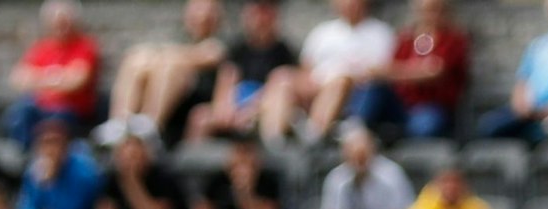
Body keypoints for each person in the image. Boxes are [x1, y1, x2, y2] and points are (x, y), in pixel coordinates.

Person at [266, 0, 394, 147]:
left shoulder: (380, 33)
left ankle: (314, 133)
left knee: (339, 81)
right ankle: (275, 139)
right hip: (317, 86)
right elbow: (305, 69)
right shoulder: (322, 32)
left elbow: (382, 71)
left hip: (353, 91)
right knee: (281, 76)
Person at [105, 0, 224, 146]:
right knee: (136, 58)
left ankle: (150, 124)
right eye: (196, 13)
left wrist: (163, 56)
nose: (200, 18)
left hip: (192, 103)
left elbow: (206, 56)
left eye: (206, 14)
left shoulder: (219, 44)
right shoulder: (180, 40)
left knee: (171, 66)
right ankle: (119, 123)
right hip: (168, 93)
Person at [351, 0, 469, 141]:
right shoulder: (406, 38)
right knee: (374, 89)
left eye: (435, 10)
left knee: (424, 126)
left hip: (433, 107)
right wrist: (419, 70)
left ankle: (389, 136)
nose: (429, 15)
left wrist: (400, 71)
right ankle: (354, 129)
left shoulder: (454, 39)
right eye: (425, 10)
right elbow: (387, 69)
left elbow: (435, 73)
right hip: (402, 104)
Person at [477, 0, 548, 143]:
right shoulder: (541, 45)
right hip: (530, 112)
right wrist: (521, 104)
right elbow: (523, 79)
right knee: (489, 126)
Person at [194, 0, 294, 140]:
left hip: (262, 110)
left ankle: (274, 149)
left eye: (265, 13)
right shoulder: (237, 49)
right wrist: (225, 108)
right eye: (255, 13)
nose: (260, 19)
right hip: (236, 109)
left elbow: (279, 90)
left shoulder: (284, 52)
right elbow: (227, 80)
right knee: (200, 116)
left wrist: (251, 110)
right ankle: (191, 157)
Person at [7, 0, 102, 147]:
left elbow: (76, 82)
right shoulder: (42, 48)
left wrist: (38, 79)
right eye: (56, 23)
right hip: (39, 108)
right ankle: (26, 156)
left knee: (55, 120)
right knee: (20, 112)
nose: (61, 28)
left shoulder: (85, 46)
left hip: (72, 113)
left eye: (64, 22)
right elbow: (18, 78)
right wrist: (58, 78)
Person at [94, 120, 184, 209]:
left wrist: (131, 182)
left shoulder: (163, 177)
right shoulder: (111, 178)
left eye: (133, 148)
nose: (128, 156)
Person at [17, 116, 104, 209]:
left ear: (66, 145)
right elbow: (27, 208)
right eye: (45, 143)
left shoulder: (83, 170)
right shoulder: (34, 171)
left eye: (55, 143)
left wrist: (51, 182)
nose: (50, 150)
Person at [196, 134, 284, 209]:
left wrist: (244, 193)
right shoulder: (217, 180)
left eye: (246, 153)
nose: (242, 160)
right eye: (238, 153)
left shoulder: (269, 181)